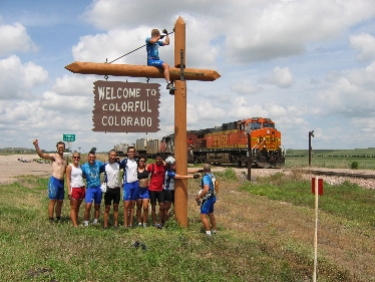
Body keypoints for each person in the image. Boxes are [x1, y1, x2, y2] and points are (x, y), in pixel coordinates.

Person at [32, 139, 67, 222]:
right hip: (54, 180)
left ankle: (58, 218)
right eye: (59, 147)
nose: (61, 149)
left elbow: (67, 171)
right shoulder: (54, 157)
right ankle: (51, 219)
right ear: (57, 148)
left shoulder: (65, 159)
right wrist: (36, 146)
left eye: (62, 147)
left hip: (61, 182)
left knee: (60, 201)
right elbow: (42, 155)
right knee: (53, 201)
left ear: (64, 148)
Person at [163, 156, 200, 224]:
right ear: (169, 165)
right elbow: (180, 177)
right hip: (168, 191)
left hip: (174, 190)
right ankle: (164, 222)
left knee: (176, 206)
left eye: (175, 163)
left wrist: (199, 170)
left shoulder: (174, 170)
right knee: (167, 207)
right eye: (172, 164)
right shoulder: (169, 172)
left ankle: (175, 220)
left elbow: (187, 170)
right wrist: (192, 177)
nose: (174, 165)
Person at [81, 150, 105, 227]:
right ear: (87, 157)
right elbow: (83, 175)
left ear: (95, 158)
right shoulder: (84, 166)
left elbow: (104, 169)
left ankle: (95, 221)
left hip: (98, 188)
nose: (91, 159)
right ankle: (86, 222)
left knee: (97, 206)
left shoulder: (99, 163)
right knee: (88, 205)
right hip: (90, 188)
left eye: (93, 157)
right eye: (90, 157)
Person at [195, 163, 217, 236]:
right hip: (213, 197)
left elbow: (206, 189)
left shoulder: (206, 177)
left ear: (203, 170)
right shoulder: (212, 176)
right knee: (210, 213)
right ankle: (214, 229)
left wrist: (198, 197)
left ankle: (208, 233)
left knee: (203, 216)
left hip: (207, 198)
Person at [120, 146, 138, 227]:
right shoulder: (125, 161)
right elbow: (117, 167)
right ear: (127, 153)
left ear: (134, 153)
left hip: (135, 184)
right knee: (126, 205)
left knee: (132, 204)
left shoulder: (136, 161)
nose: (131, 153)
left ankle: (130, 223)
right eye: (130, 151)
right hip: (127, 184)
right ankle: (125, 224)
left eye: (133, 151)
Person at [147, 153, 167, 228]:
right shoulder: (152, 166)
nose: (158, 160)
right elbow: (144, 171)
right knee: (153, 206)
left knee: (162, 205)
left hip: (160, 190)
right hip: (152, 189)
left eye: (160, 159)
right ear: (155, 159)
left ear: (162, 160)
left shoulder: (164, 167)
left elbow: (172, 165)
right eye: (157, 159)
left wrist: (165, 163)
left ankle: (160, 222)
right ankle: (154, 222)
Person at [103, 150, 122, 229]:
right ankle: (105, 225)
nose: (113, 157)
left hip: (116, 189)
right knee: (107, 208)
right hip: (108, 189)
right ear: (108, 155)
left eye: (114, 155)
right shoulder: (105, 166)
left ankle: (116, 224)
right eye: (111, 155)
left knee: (116, 207)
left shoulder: (119, 165)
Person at [66, 152, 85, 227]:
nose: (76, 159)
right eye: (75, 157)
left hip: (81, 187)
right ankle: (75, 225)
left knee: (78, 207)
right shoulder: (69, 167)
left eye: (78, 157)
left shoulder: (80, 167)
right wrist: (69, 190)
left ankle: (75, 220)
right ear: (72, 158)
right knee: (73, 207)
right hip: (74, 188)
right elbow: (68, 178)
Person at [136, 155, 150, 227]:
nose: (142, 162)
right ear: (138, 161)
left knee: (145, 207)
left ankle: (144, 221)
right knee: (139, 207)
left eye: (144, 161)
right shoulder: (136, 169)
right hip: (138, 190)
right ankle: (139, 221)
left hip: (146, 190)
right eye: (141, 161)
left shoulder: (147, 168)